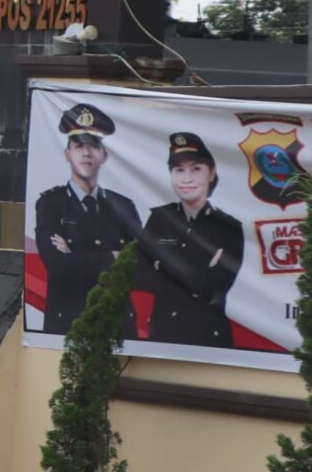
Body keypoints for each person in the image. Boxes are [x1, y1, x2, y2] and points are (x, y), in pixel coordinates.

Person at [32, 101, 139, 332]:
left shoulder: (123, 206)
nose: (86, 152)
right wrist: (112, 256)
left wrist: (75, 256)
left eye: (93, 145)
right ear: (67, 154)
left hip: (117, 324)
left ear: (105, 155)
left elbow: (137, 267)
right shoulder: (51, 205)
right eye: (79, 145)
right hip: (69, 324)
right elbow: (57, 266)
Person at [136, 131, 243, 347]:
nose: (186, 178)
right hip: (163, 334)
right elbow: (138, 276)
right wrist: (195, 271)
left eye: (196, 169)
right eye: (179, 170)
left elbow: (213, 285)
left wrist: (162, 265)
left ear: (211, 173)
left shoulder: (228, 227)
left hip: (208, 337)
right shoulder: (159, 219)